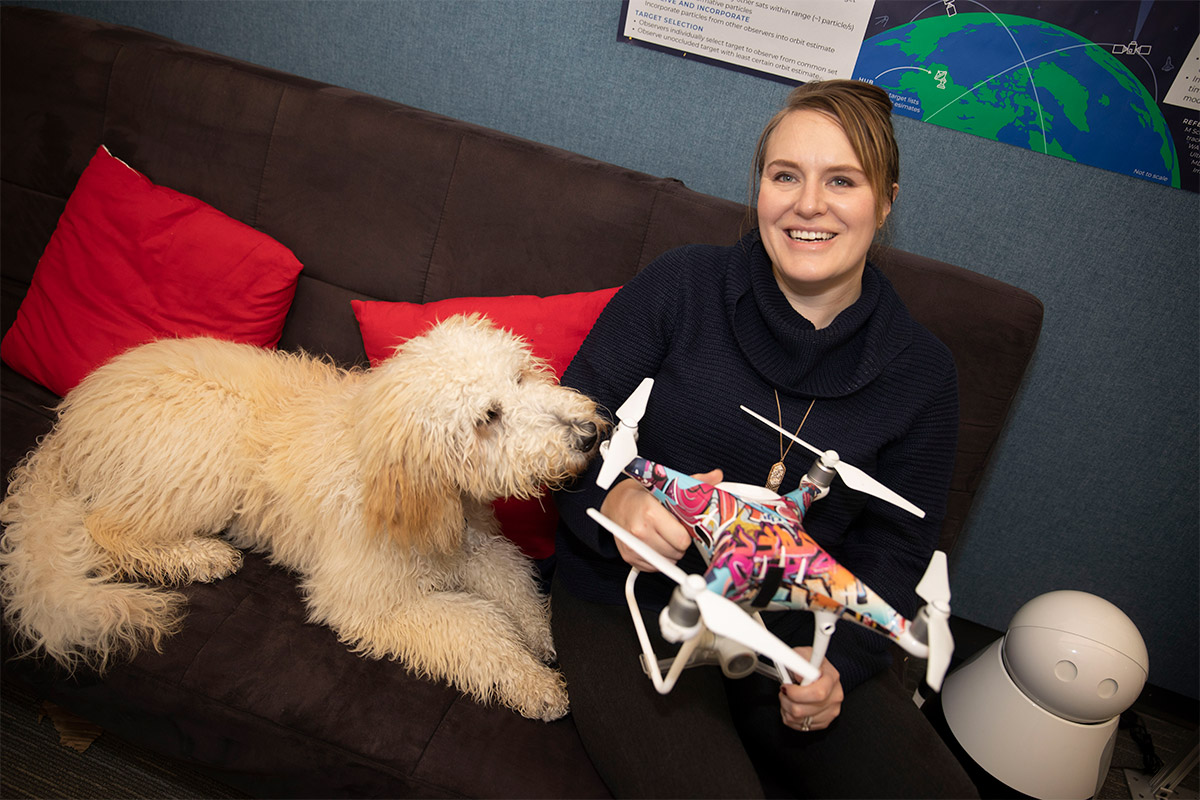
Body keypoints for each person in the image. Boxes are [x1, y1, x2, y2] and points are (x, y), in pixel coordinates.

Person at [551, 80, 979, 799]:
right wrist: (615, 496)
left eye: (841, 181)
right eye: (786, 176)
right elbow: (560, 430)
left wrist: (841, 660)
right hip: (627, 599)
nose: (808, 204)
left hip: (796, 626)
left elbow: (899, 547)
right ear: (761, 188)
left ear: (887, 201)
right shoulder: (682, 284)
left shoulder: (924, 374)